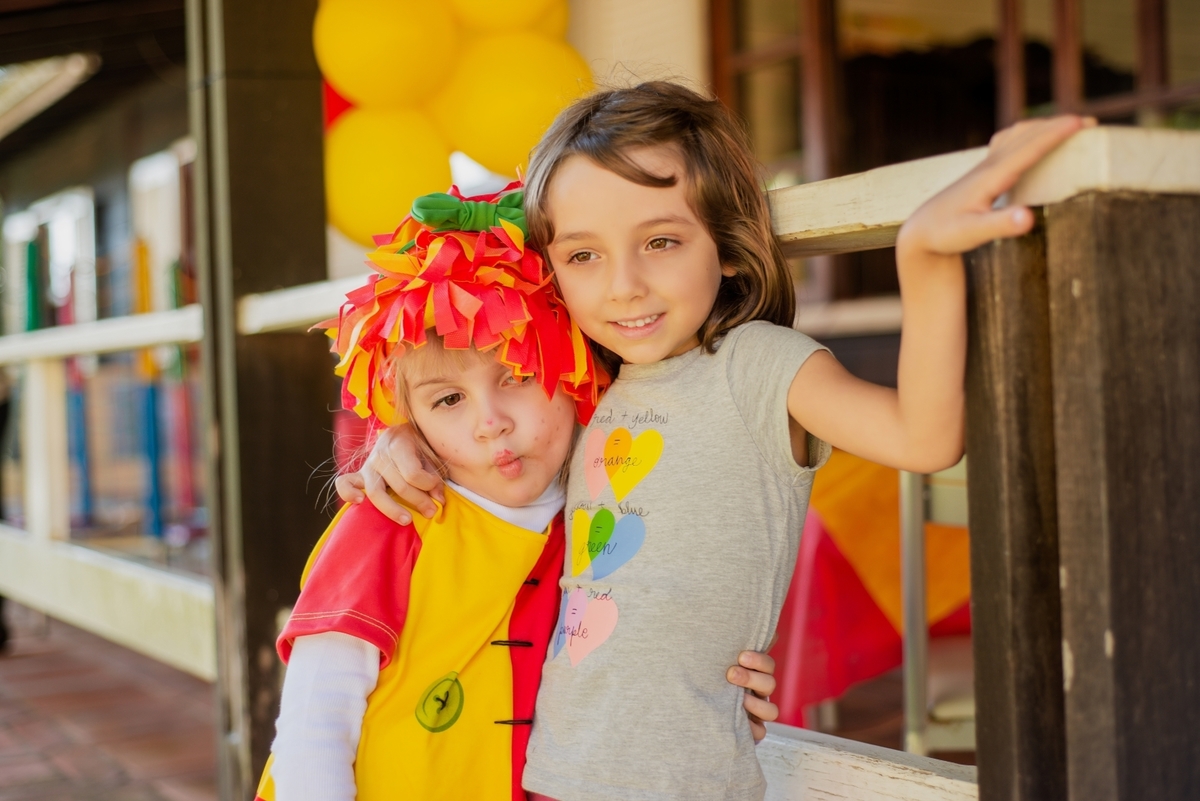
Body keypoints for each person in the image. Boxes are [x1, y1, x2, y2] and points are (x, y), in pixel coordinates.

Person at [342, 83, 1091, 800]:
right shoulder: (590, 386)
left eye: (660, 240)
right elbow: (487, 434)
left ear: (728, 246)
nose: (623, 285)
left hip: (683, 779)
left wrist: (922, 258)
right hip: (553, 768)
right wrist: (399, 439)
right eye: (583, 256)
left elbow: (924, 436)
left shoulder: (759, 365)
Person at [255, 183, 781, 801]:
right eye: (448, 400)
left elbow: (633, 673)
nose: (490, 421)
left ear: (575, 368)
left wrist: (710, 692)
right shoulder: (392, 521)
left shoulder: (603, 525)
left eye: (520, 376)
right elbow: (315, 726)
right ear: (411, 420)